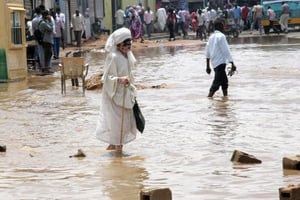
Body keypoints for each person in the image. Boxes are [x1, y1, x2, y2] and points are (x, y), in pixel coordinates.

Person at [95, 27, 138, 152]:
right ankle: (118, 151)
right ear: (119, 44)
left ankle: (116, 148)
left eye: (129, 44)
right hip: (115, 95)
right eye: (126, 44)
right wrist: (119, 79)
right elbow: (107, 77)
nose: (128, 47)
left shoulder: (126, 56)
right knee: (118, 124)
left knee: (125, 124)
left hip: (126, 94)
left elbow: (130, 74)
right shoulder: (113, 57)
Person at [205, 19, 237, 98]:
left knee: (224, 82)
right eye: (223, 26)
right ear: (219, 26)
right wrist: (232, 63)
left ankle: (225, 98)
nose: (224, 27)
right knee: (216, 84)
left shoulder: (211, 37)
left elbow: (207, 53)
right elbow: (226, 50)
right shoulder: (221, 36)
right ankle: (209, 98)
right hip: (220, 63)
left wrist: (208, 66)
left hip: (214, 63)